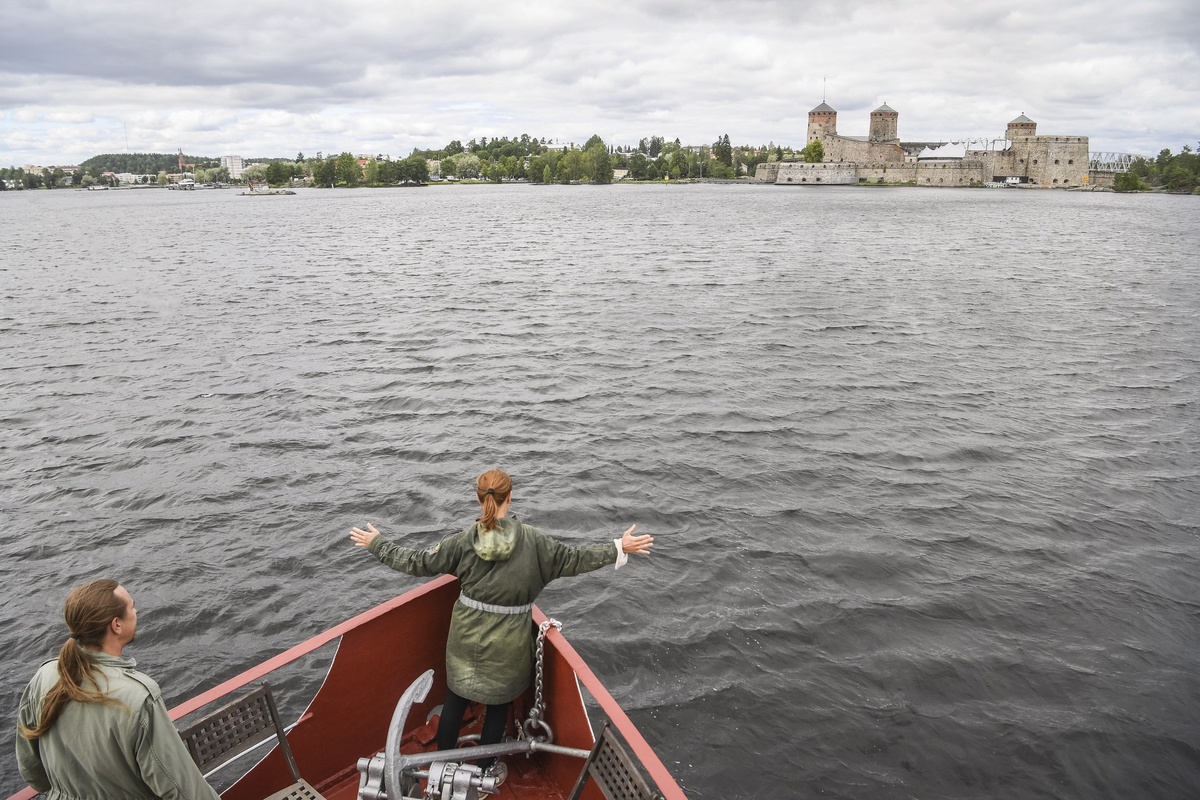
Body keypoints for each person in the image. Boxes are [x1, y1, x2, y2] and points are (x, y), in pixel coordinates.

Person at [350, 468, 653, 778]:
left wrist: (378, 543)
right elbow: (574, 558)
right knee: (498, 706)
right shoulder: (534, 542)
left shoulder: (464, 540)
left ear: (480, 499)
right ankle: (484, 770)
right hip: (509, 644)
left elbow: (416, 561)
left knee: (455, 699)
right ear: (511, 497)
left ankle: (441, 767)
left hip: (465, 639)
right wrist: (618, 548)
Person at [16, 579, 220, 800]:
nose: (136, 611)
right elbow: (185, 791)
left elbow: (33, 773)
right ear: (116, 625)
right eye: (132, 606)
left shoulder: (44, 676)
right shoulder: (139, 697)